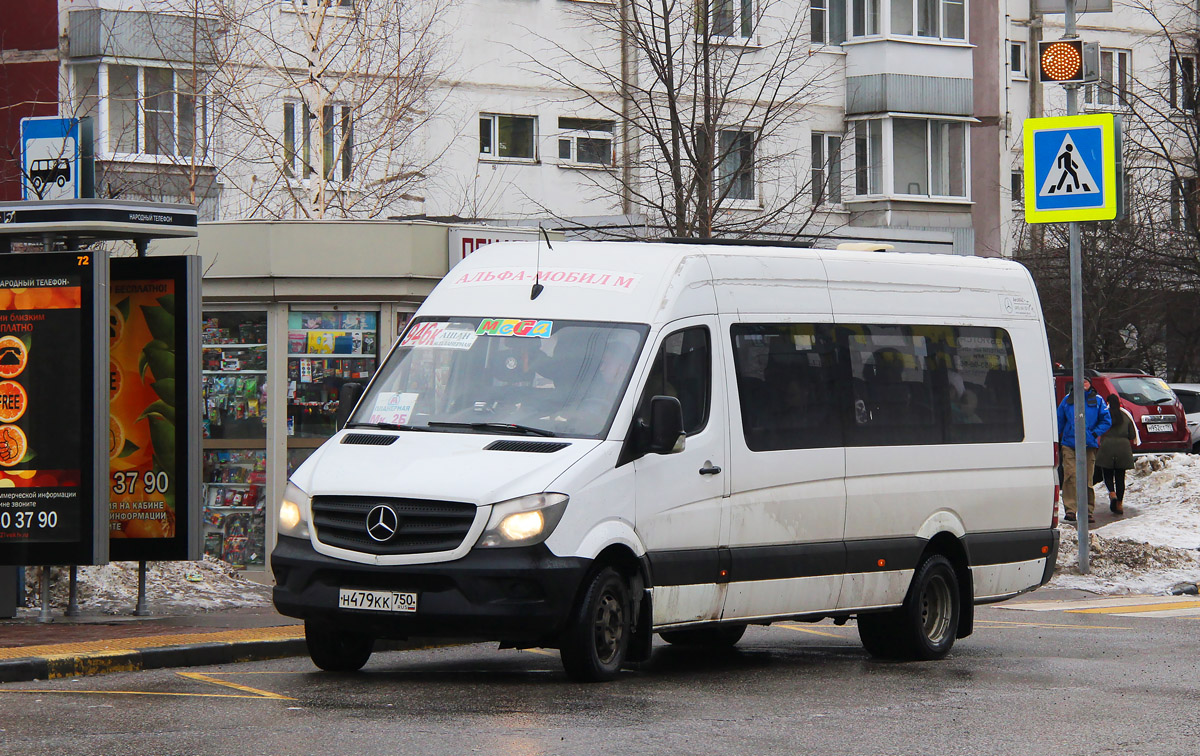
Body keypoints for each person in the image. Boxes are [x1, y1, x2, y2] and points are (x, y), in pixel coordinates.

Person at [1056, 376, 1112, 524]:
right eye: (1080, 382)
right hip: (1069, 443)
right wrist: (1055, 439)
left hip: (1088, 444)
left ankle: (1087, 510)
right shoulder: (1068, 400)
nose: (1082, 384)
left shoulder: (1098, 400)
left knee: (1087, 479)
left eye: (1085, 382)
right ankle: (1070, 510)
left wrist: (1094, 433)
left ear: (1090, 384)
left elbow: (1106, 420)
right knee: (1070, 475)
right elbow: (1059, 420)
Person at [1096, 393, 1138, 516]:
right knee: (1120, 476)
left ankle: (1112, 493)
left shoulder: (1104, 414)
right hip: (1123, 448)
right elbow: (1132, 435)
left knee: (1107, 473)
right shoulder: (1125, 415)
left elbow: (1099, 428)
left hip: (1107, 446)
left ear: (1107, 403)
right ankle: (1119, 503)